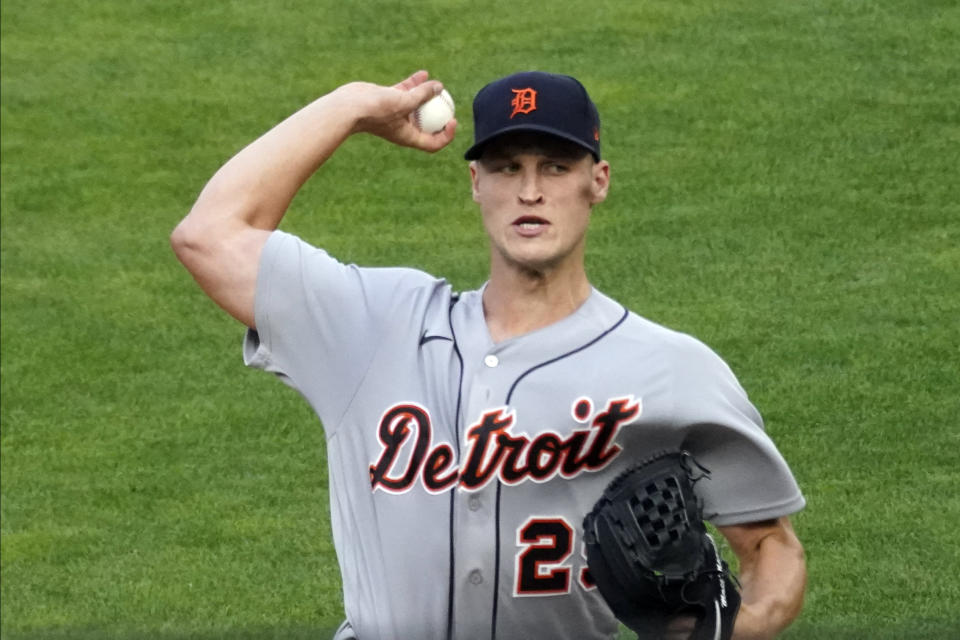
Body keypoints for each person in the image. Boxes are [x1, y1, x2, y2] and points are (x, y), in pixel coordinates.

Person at [171, 70, 807, 640]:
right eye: (507, 167)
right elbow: (209, 235)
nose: (530, 190)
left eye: (556, 166)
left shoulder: (671, 369)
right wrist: (352, 107)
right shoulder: (372, 325)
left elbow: (772, 547)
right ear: (476, 183)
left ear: (598, 181)